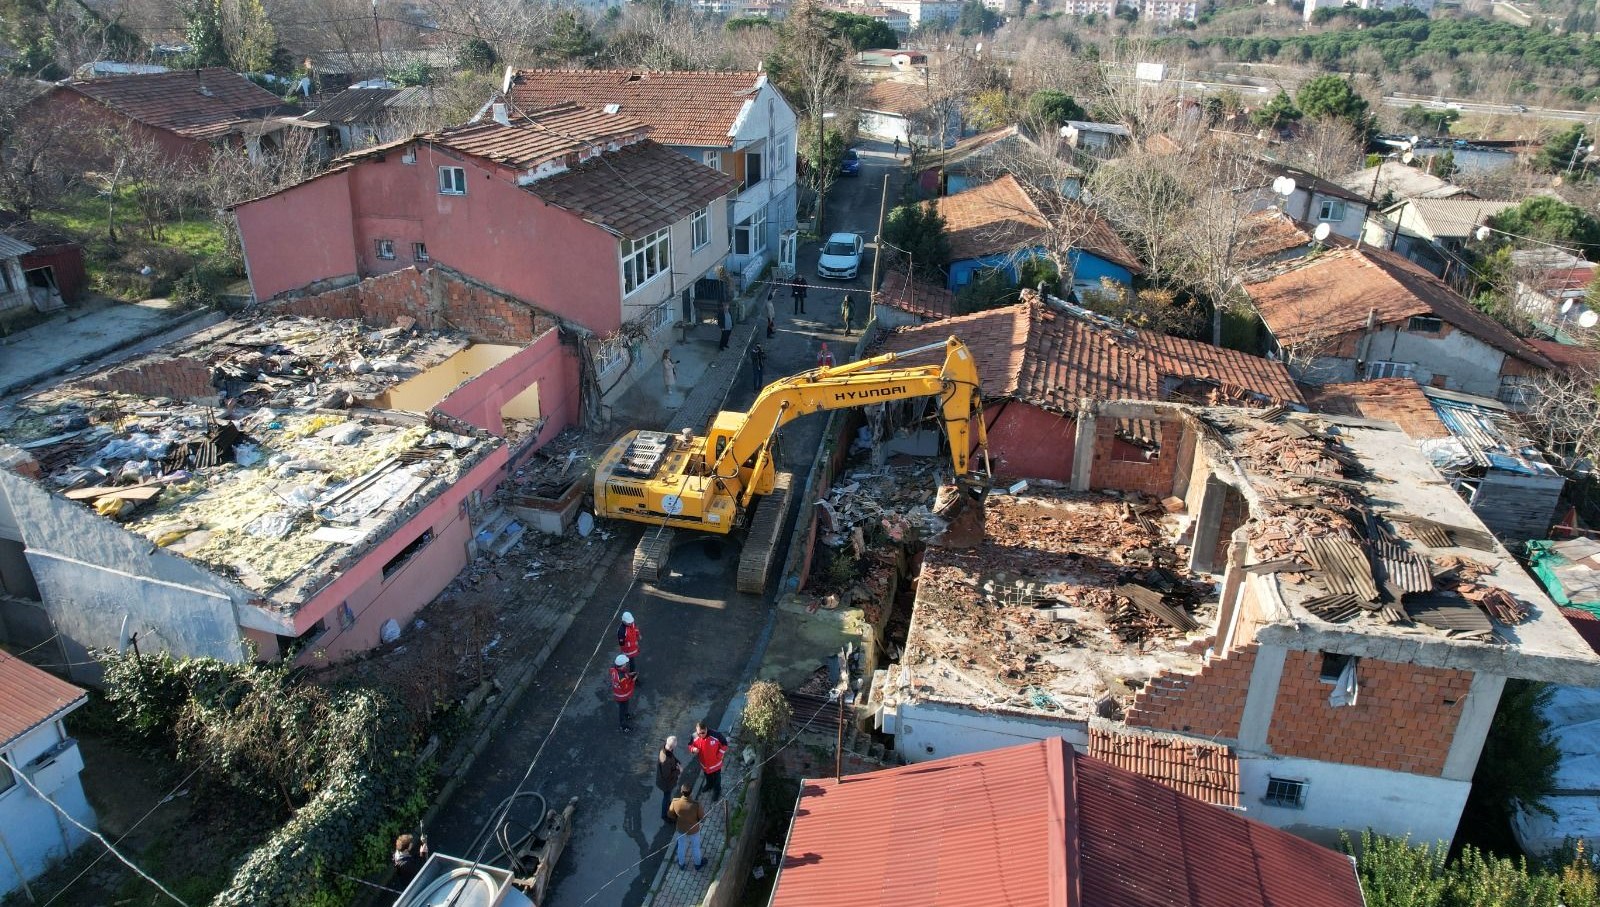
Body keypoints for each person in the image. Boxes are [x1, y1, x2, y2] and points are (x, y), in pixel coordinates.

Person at [668, 784, 706, 871]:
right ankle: (697, 864)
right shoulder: (696, 805)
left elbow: (670, 814)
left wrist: (678, 819)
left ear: (681, 792)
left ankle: (681, 864)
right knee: (695, 847)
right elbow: (702, 818)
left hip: (681, 829)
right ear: (691, 793)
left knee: (681, 846)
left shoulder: (675, 802)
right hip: (694, 830)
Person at [689, 722, 728, 802]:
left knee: (717, 779)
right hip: (704, 765)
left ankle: (717, 791)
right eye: (698, 733)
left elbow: (724, 744)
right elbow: (690, 745)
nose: (701, 735)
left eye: (703, 733)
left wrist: (719, 755)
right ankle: (709, 785)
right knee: (707, 776)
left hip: (715, 764)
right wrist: (693, 749)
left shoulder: (716, 735)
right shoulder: (694, 736)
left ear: (706, 729)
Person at [656, 737, 682, 824]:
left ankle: (668, 804)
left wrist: (677, 762)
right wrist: (679, 770)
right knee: (666, 797)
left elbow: (672, 757)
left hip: (665, 781)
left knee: (667, 796)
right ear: (672, 747)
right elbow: (667, 776)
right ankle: (664, 815)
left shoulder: (665, 747)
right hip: (666, 783)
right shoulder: (665, 760)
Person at [609, 653, 636, 732]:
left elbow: (622, 675)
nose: (626, 664)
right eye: (625, 664)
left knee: (624, 707)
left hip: (618, 694)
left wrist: (628, 674)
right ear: (622, 664)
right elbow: (626, 688)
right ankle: (623, 725)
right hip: (622, 696)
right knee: (622, 709)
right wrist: (633, 680)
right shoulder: (622, 678)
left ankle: (626, 715)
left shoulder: (615, 670)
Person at [617, 611, 640, 679]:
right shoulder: (621, 631)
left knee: (630, 662)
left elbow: (635, 629)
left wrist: (638, 635)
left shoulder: (631, 623)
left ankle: (628, 673)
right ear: (623, 621)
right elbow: (622, 644)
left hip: (633, 648)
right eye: (628, 622)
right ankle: (630, 675)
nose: (630, 623)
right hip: (628, 651)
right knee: (630, 663)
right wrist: (633, 643)